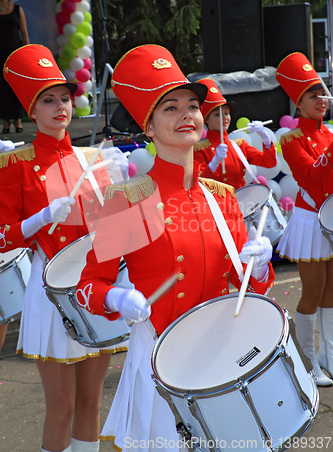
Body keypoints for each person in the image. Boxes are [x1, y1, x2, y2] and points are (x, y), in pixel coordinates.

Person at [75, 44, 275, 451]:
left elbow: (247, 291)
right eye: (170, 107)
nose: (186, 114)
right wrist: (117, 295)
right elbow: (88, 287)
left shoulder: (221, 197)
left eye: (191, 105)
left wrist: (258, 268)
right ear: (147, 127)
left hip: (225, 353)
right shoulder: (128, 199)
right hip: (163, 359)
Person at [0, 44, 129, 452]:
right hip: (52, 288)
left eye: (65, 98)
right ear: (31, 112)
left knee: (92, 401)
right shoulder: (16, 163)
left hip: (95, 283)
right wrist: (39, 220)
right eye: (48, 100)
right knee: (61, 407)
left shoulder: (93, 159)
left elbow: (115, 232)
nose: (60, 107)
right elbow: (2, 235)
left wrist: (132, 193)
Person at [276, 52, 333, 387]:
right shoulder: (290, 139)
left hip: (332, 216)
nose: (321, 101)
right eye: (313, 96)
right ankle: (309, 362)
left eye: (323, 94)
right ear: (298, 103)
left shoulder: (329, 133)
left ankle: (329, 356)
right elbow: (311, 178)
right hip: (310, 220)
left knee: (332, 293)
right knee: (312, 291)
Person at [193, 78, 277, 189]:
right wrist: (215, 162)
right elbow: (200, 184)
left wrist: (265, 138)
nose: (224, 118)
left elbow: (269, 163)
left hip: (239, 201)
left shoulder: (238, 145)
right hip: (217, 204)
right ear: (206, 120)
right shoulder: (200, 149)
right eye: (217, 115)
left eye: (226, 113)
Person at [0, 0, 30, 134]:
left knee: (15, 86)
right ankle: (5, 123)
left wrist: (27, 54)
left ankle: (18, 120)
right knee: (2, 89)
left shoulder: (17, 9)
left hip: (15, 53)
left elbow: (24, 34)